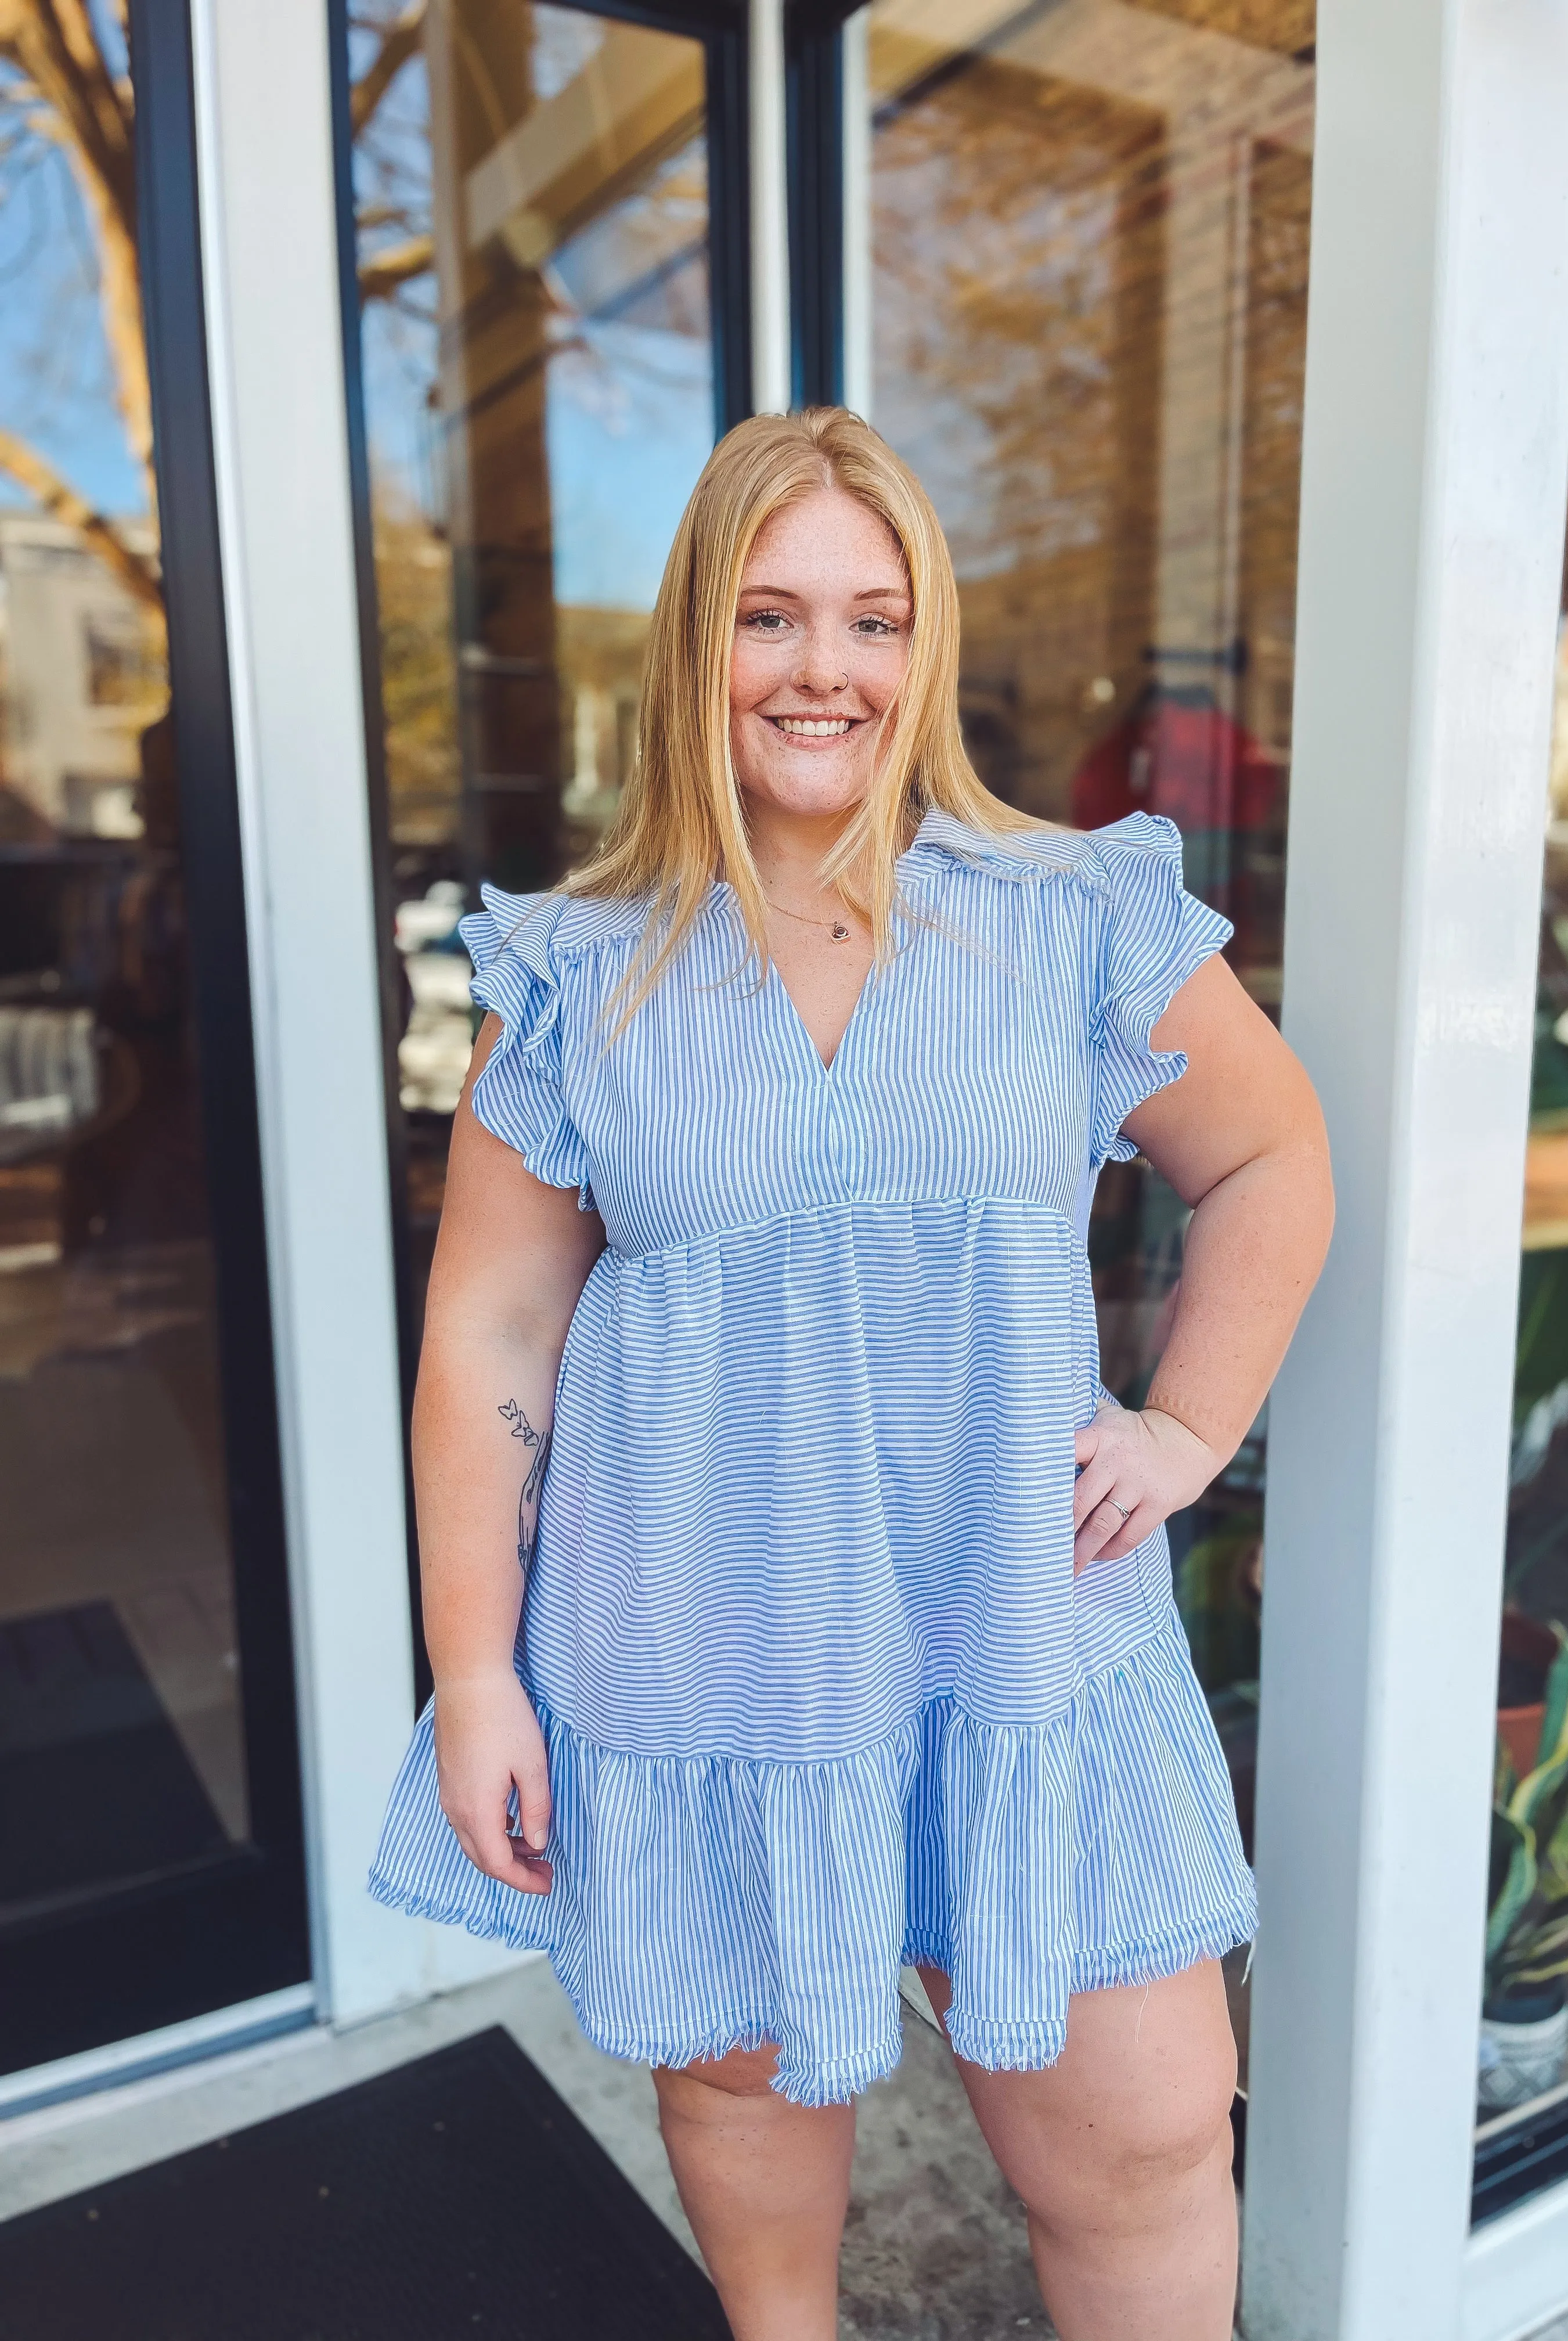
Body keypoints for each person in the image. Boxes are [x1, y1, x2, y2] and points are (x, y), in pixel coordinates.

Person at [372, 407, 1333, 2340]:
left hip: (1025, 1644)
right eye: (773, 615)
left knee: (1145, 2143)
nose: (827, 670)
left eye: (876, 619)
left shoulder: (1067, 918)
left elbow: (1272, 1159)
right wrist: (477, 1671)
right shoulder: (583, 974)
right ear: (693, 651)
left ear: (932, 650)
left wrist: (1188, 1426)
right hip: (709, 1658)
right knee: (743, 2099)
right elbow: (491, 1326)